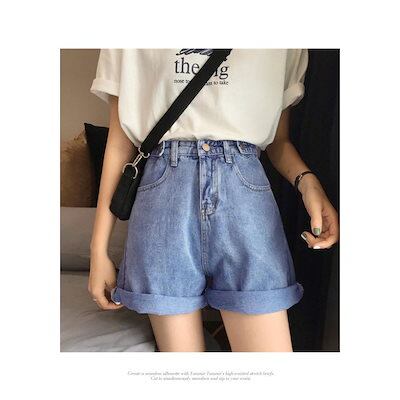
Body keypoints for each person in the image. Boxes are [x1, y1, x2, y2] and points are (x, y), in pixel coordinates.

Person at [88, 49, 339, 352]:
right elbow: (120, 143)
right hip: (164, 202)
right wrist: (98, 249)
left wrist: (308, 183)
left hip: (246, 202)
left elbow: (279, 142)